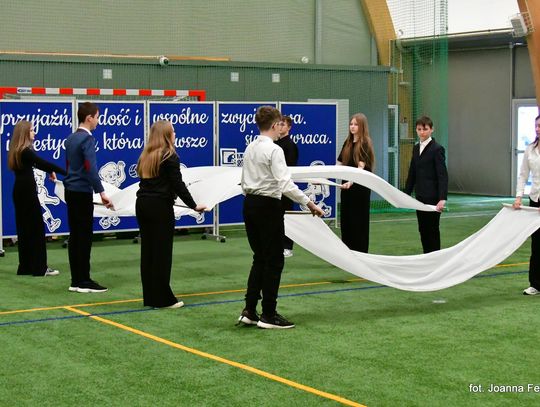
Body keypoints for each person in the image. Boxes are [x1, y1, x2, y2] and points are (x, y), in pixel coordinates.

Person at [238, 106, 324, 329]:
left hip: (250, 204)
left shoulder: (250, 148)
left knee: (259, 257)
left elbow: (244, 182)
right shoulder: (274, 150)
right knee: (275, 259)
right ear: (275, 125)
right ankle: (269, 314)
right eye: (280, 125)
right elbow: (285, 184)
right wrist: (309, 203)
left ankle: (249, 309)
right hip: (268, 206)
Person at [136, 120, 206, 308]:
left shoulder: (146, 155)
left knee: (148, 252)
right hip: (159, 207)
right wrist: (193, 205)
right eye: (173, 131)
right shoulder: (169, 156)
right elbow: (177, 184)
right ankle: (163, 298)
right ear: (166, 135)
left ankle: (150, 296)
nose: (175, 134)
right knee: (162, 252)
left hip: (142, 205)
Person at [64, 102, 113, 293]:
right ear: (89, 118)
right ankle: (84, 280)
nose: (98, 121)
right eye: (97, 117)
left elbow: (70, 166)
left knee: (75, 236)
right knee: (84, 237)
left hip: (70, 191)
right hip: (82, 192)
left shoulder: (70, 138)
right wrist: (102, 192)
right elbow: (90, 169)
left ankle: (76, 280)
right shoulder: (87, 139)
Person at [8, 120, 67, 277]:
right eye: (32, 130)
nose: (34, 132)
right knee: (36, 229)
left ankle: (25, 266)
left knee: (24, 229)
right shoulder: (26, 151)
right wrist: (66, 172)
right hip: (27, 192)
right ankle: (40, 267)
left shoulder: (17, 151)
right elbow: (43, 163)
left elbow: (38, 165)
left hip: (19, 191)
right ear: (25, 133)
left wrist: (50, 171)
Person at [404, 116, 448, 253]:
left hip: (433, 197)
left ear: (432, 129)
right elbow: (412, 172)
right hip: (420, 196)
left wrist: (442, 198)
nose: (422, 132)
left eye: (425, 129)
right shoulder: (416, 148)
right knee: (422, 228)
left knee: (432, 229)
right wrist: (406, 194)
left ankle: (435, 257)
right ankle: (426, 256)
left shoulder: (437, 149)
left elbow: (442, 175)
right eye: (419, 129)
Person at [337, 113, 375, 253]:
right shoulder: (347, 142)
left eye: (356, 124)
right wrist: (325, 177)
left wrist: (350, 182)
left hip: (360, 189)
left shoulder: (365, 143)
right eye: (351, 124)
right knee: (346, 220)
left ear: (362, 126)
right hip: (346, 188)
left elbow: (361, 167)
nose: (352, 127)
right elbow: (339, 163)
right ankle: (347, 253)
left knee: (358, 221)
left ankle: (360, 253)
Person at [513, 114, 540, 296]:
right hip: (535, 200)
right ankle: (535, 284)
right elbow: (523, 175)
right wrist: (518, 196)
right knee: (536, 244)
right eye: (536, 126)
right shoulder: (530, 149)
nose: (538, 129)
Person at [275, 115, 298, 258]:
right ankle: (278, 245)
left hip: (286, 186)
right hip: (275, 188)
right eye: (278, 124)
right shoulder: (275, 144)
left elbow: (290, 167)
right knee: (277, 218)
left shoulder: (290, 145)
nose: (280, 126)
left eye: (283, 124)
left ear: (289, 127)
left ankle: (288, 247)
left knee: (287, 217)